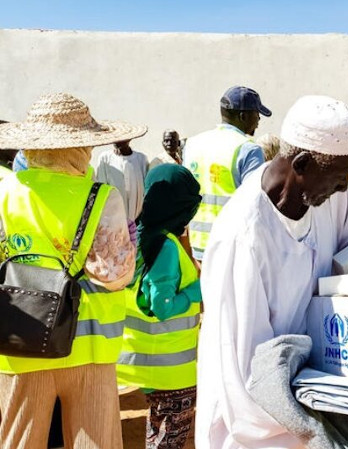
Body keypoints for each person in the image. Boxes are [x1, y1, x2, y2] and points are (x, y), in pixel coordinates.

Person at [195, 95, 348, 449]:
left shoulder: (331, 196)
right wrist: (309, 432)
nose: (344, 188)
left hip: (315, 400)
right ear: (302, 163)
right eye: (339, 178)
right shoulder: (243, 236)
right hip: (258, 424)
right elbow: (244, 374)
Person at [0, 92, 139, 449]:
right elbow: (115, 275)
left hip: (18, 344)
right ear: (79, 148)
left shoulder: (4, 193)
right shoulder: (101, 196)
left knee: (17, 441)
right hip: (90, 346)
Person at [116, 164, 202, 449]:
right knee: (167, 441)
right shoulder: (165, 247)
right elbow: (162, 306)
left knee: (157, 437)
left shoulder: (136, 237)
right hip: (170, 370)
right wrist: (194, 292)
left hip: (139, 364)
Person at [182, 86, 269, 261]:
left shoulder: (192, 144)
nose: (259, 120)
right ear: (243, 116)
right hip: (231, 247)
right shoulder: (249, 149)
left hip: (196, 245)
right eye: (256, 113)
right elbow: (256, 205)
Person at [94, 137, 150, 221]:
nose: (116, 140)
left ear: (129, 139)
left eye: (120, 138)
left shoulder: (141, 159)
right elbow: (102, 189)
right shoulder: (105, 158)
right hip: (113, 219)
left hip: (137, 218)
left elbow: (145, 190)